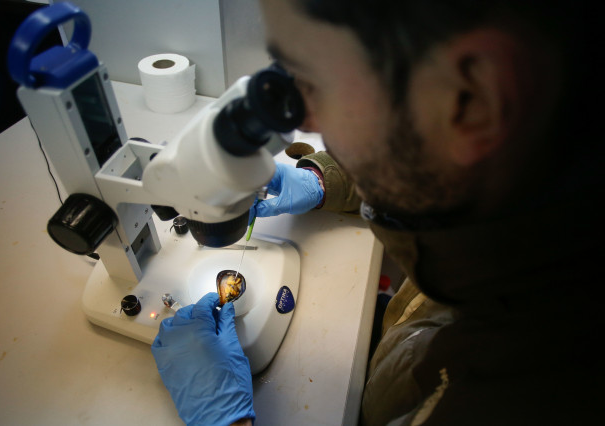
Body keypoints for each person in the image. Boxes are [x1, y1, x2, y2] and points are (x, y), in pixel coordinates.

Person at [151, 0, 603, 424]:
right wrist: (327, 179)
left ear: (469, 100)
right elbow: (415, 136)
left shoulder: (521, 393)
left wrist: (230, 422)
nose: (306, 121)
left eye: (311, 79)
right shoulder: (538, 194)